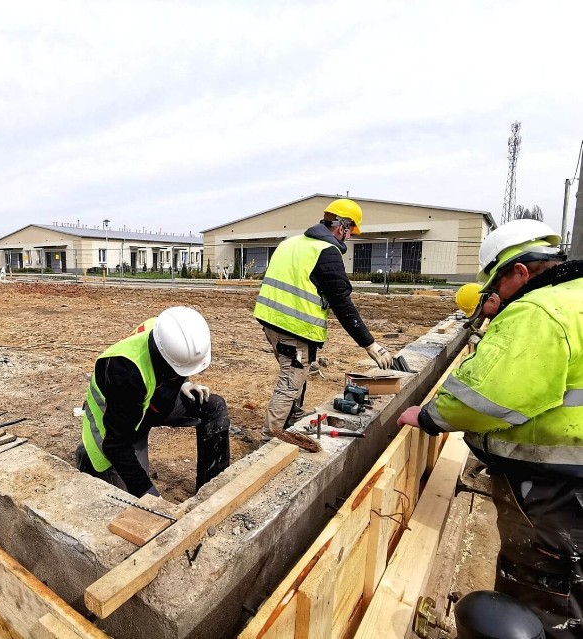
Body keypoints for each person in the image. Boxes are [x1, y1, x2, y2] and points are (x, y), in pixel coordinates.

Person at [398, 219, 583, 637]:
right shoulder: (575, 298)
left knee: (549, 601)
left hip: (556, 489)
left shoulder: (540, 310)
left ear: (519, 272)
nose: (495, 298)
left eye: (496, 286)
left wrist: (428, 416)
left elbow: (485, 398)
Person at [253, 198, 393, 443]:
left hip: (271, 321)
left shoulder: (292, 242)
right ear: (343, 227)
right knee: (290, 382)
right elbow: (342, 303)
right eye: (350, 232)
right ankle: (268, 439)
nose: (348, 238)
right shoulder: (326, 252)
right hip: (295, 328)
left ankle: (293, 418)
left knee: (297, 373)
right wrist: (369, 344)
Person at [75, 306, 230, 498]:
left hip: (150, 404)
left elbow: (170, 365)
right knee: (130, 498)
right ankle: (87, 462)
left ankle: (211, 492)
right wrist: (151, 496)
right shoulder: (124, 372)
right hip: (115, 431)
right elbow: (117, 445)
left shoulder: (164, 333)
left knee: (213, 407)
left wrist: (183, 383)